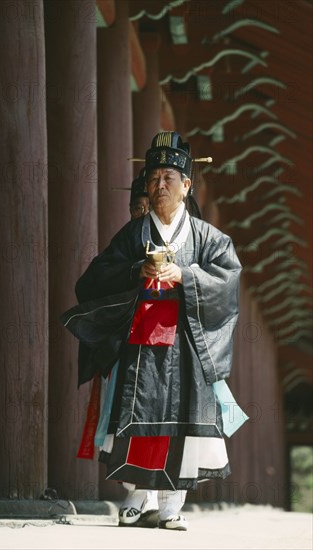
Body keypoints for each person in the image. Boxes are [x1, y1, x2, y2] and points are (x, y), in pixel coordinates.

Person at [62, 131, 244, 531]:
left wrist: (186, 276)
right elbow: (96, 277)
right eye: (153, 178)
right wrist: (135, 271)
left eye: (169, 178)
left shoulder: (208, 238)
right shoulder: (133, 235)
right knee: (137, 412)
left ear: (186, 186)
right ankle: (135, 496)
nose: (160, 185)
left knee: (181, 420)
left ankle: (170, 506)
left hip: (185, 341)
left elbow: (228, 279)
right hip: (140, 340)